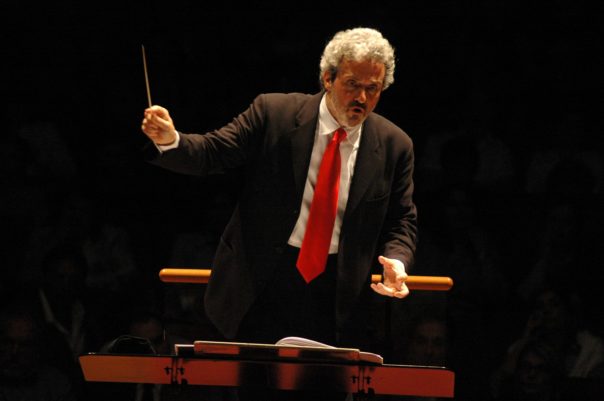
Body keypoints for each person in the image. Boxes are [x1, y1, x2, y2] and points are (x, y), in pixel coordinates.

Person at [140, 27, 417, 357]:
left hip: (336, 294)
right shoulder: (274, 114)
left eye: (372, 89)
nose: (361, 98)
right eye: (352, 84)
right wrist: (171, 140)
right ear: (328, 79)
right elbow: (213, 152)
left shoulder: (395, 145)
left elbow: (402, 220)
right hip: (262, 282)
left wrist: (397, 261)